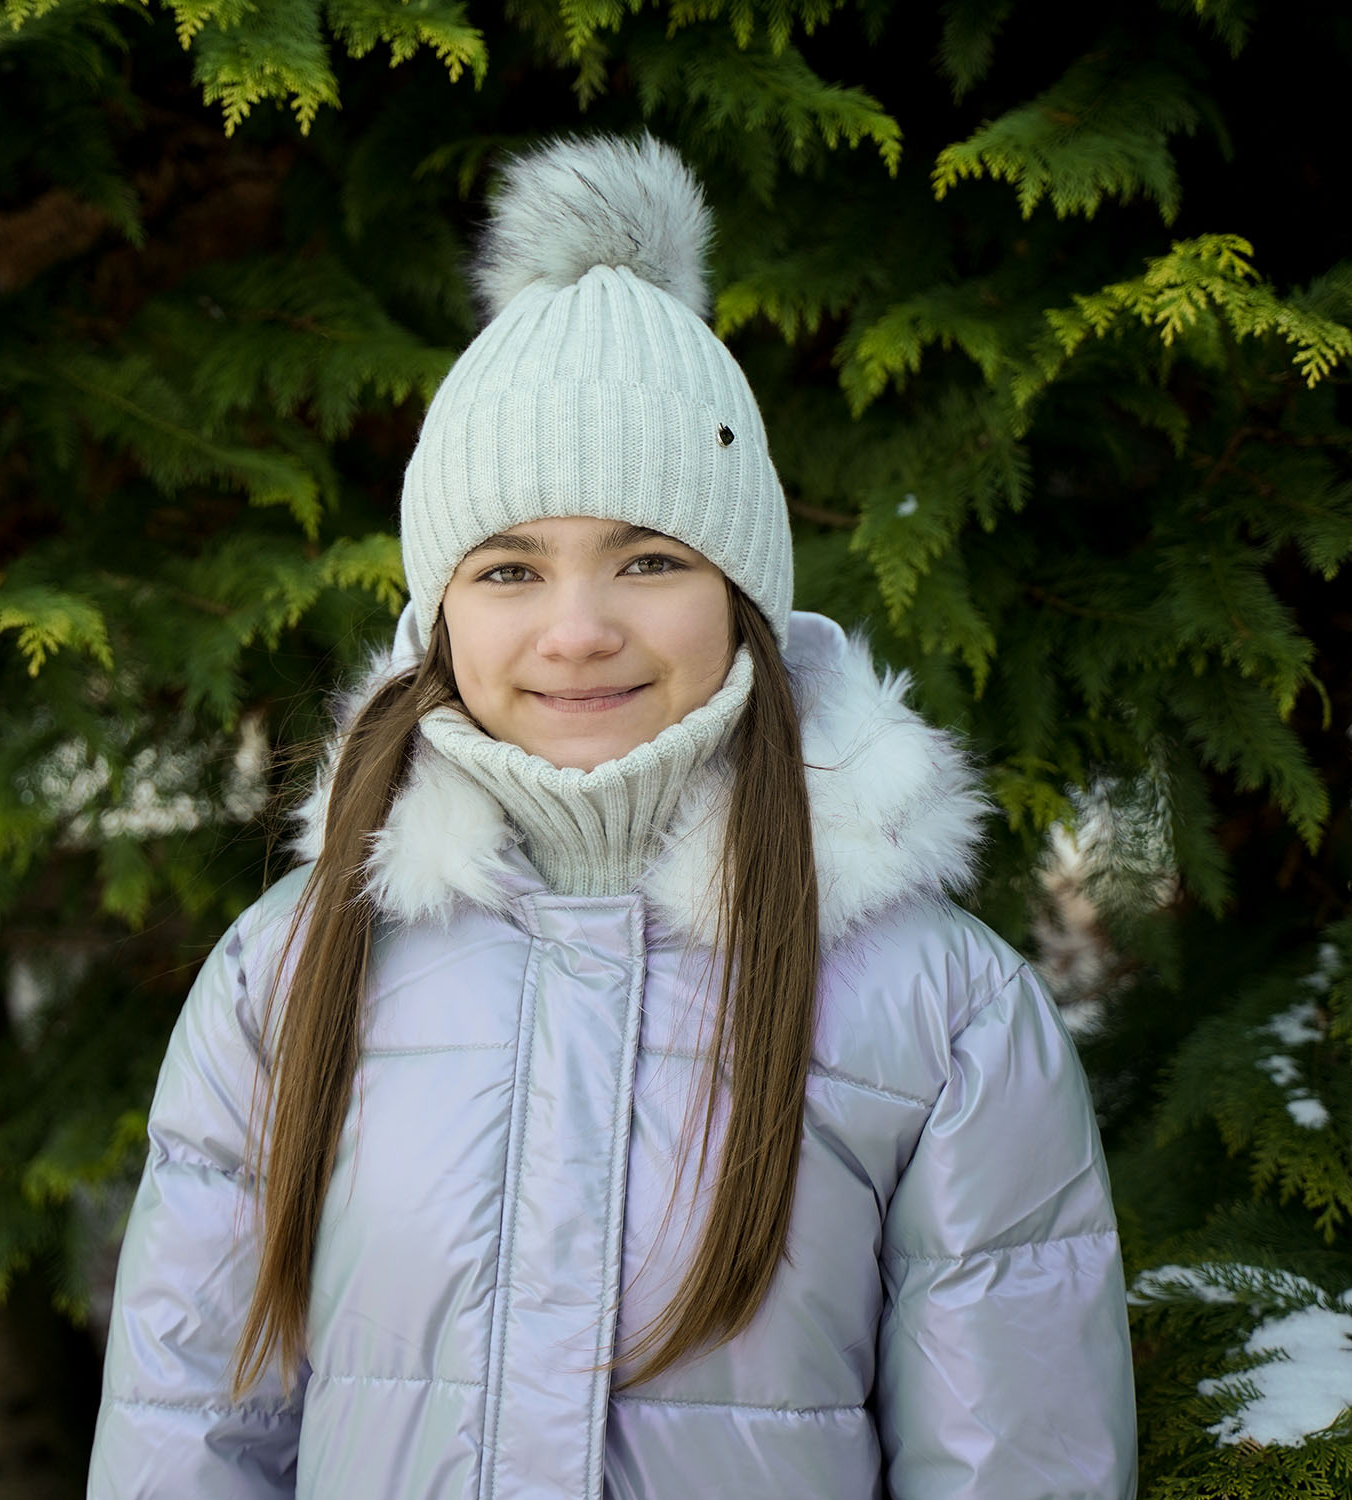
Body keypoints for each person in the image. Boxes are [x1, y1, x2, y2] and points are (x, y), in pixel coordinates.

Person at [88, 134, 1137, 1499]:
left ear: (742, 596)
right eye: (511, 567)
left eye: (649, 558)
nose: (576, 632)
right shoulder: (283, 978)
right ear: (437, 614)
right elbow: (189, 1435)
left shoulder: (936, 1009)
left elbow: (1017, 1463)